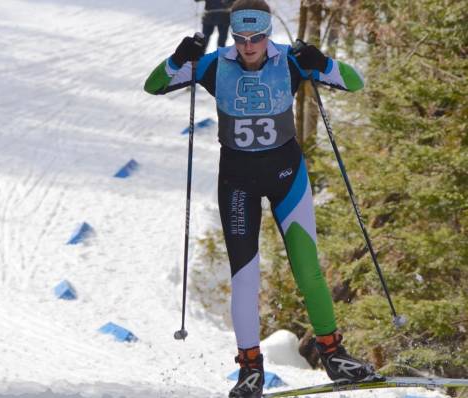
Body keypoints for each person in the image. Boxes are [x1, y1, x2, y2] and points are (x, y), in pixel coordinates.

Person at [145, 0, 382, 397]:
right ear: (234, 35)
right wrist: (176, 60)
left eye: (256, 38)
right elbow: (153, 85)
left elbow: (354, 82)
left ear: (267, 34)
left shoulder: (290, 61)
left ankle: (333, 354)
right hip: (238, 184)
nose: (249, 46)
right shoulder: (214, 65)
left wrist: (321, 62)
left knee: (309, 270)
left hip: (288, 178)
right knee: (245, 279)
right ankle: (250, 369)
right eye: (241, 37)